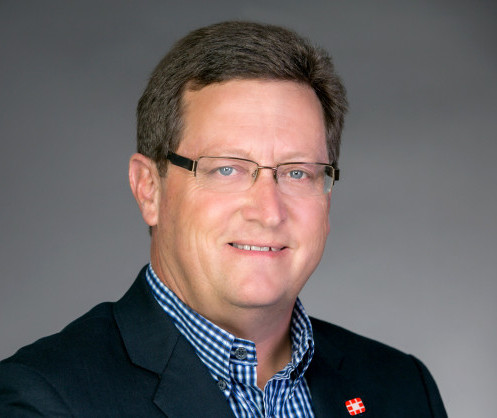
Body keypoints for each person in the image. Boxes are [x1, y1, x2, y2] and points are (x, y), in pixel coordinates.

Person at [0, 21, 447, 417]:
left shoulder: (402, 387)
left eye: (297, 172)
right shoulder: (44, 399)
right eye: (226, 169)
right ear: (149, 189)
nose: (268, 212)